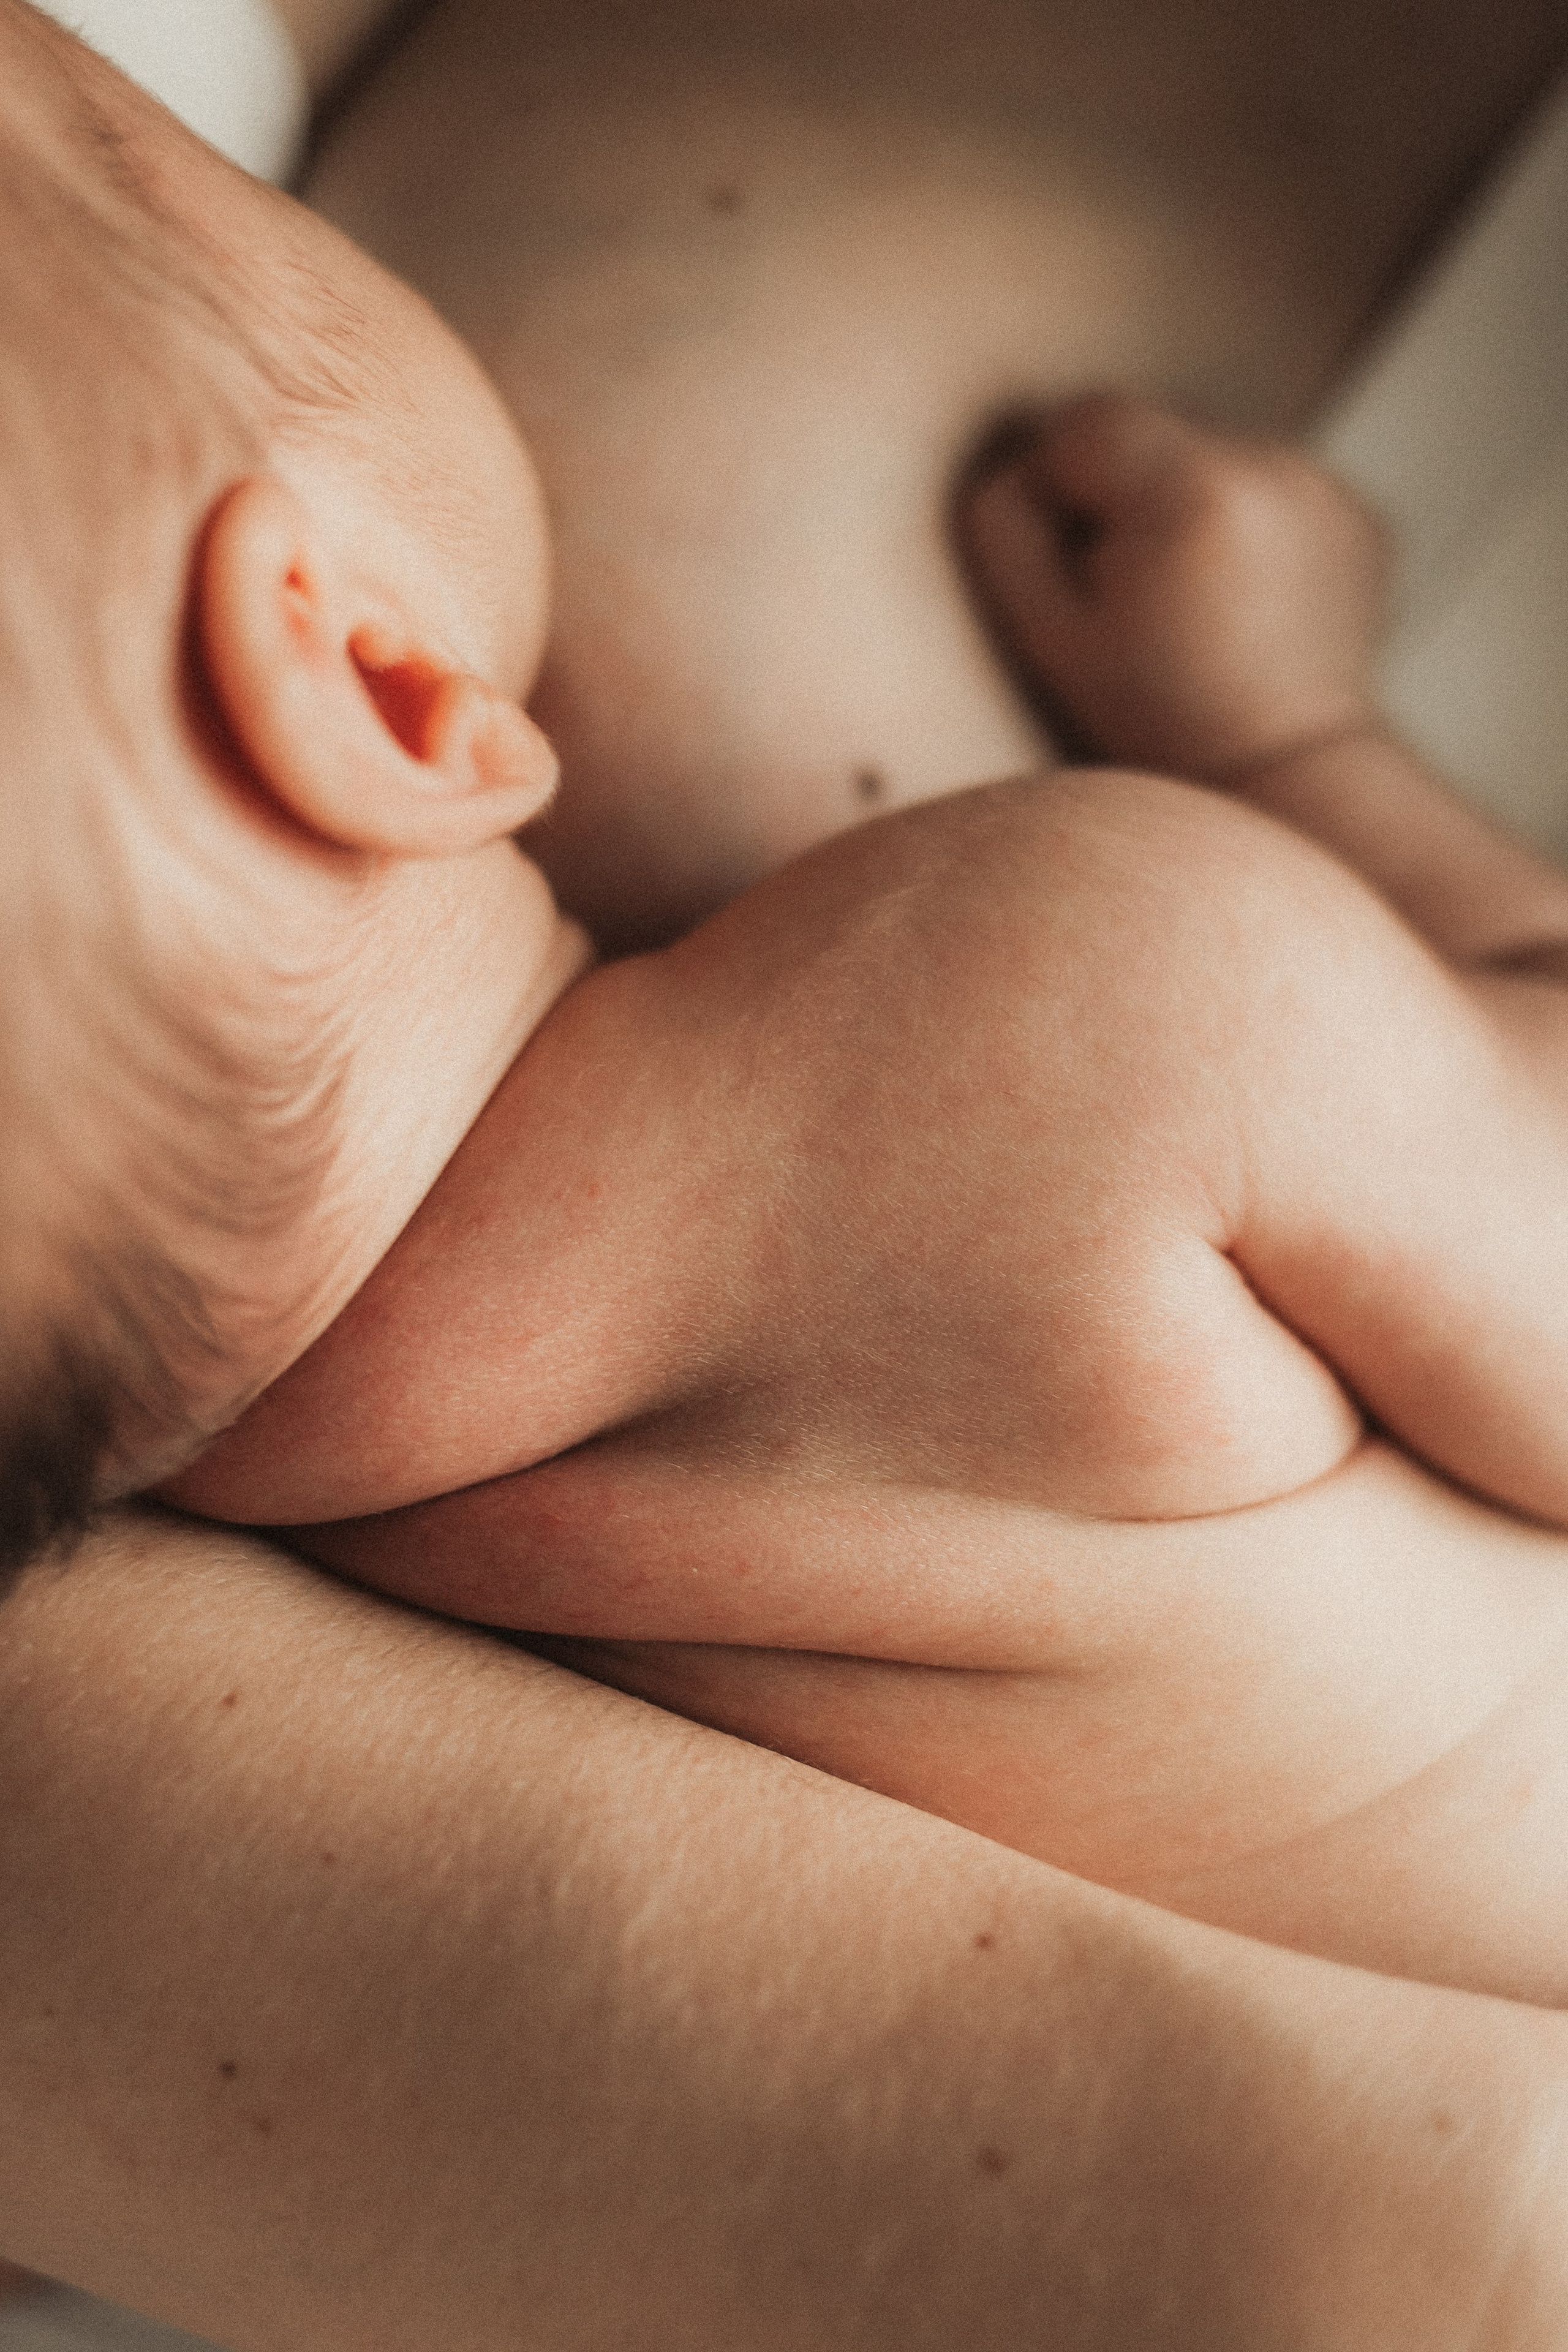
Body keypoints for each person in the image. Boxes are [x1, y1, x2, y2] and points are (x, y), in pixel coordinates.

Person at [1, 5, 1565, 2344]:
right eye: (178, 187)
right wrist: (1292, 736)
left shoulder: (216, 1613)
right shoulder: (1044, 1016)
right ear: (375, 681)